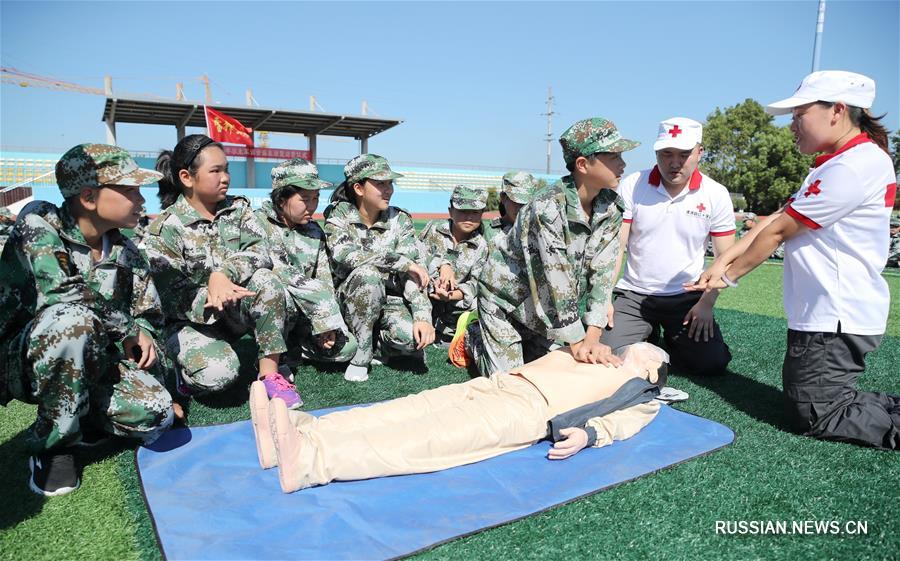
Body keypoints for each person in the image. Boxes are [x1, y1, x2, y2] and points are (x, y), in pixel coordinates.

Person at [687, 70, 899, 449]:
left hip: (836, 314)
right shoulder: (836, 162)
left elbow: (779, 232)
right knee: (817, 401)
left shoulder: (853, 166)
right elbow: (772, 221)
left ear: (837, 110)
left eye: (799, 115)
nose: (792, 127)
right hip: (826, 311)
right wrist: (720, 264)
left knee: (819, 412)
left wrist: (728, 276)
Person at [250, 342, 668, 493]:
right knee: (404, 410)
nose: (637, 349)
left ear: (653, 371)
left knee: (428, 436)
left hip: (528, 410)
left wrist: (590, 436)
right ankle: (304, 430)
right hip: (502, 383)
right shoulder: (598, 352)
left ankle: (309, 461)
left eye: (646, 352)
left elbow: (625, 422)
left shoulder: (642, 390)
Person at [0, 144, 174, 496]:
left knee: (157, 411)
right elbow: (63, 292)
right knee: (71, 321)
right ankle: (54, 446)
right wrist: (126, 328)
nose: (142, 200)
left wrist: (149, 351)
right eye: (129, 190)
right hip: (21, 362)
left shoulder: (129, 253)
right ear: (89, 197)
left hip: (93, 361)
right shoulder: (39, 222)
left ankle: (82, 416)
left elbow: (150, 320)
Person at [463, 117, 639, 376]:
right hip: (507, 305)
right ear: (583, 164)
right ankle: (475, 338)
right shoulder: (548, 207)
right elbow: (556, 278)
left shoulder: (611, 207)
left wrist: (593, 335)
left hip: (544, 313)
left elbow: (603, 273)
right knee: (513, 383)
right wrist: (577, 341)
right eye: (613, 156)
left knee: (558, 375)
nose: (623, 164)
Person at [142, 135, 301, 408]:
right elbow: (167, 296)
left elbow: (259, 251)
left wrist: (222, 275)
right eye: (215, 171)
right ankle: (187, 372)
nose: (225, 177)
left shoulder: (238, 211)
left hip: (234, 307)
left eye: (226, 169)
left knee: (267, 280)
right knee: (218, 376)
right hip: (192, 320)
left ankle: (270, 375)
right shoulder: (165, 229)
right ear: (186, 177)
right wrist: (213, 295)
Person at [603, 118, 735, 376]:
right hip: (635, 295)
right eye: (666, 154)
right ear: (656, 153)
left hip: (686, 297)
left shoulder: (715, 193)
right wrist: (605, 298)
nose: (674, 162)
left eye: (684, 154)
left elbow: (725, 258)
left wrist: (707, 303)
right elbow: (616, 247)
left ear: (700, 152)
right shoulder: (633, 184)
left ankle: (664, 340)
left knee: (712, 364)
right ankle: (646, 333)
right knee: (607, 356)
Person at [323, 154, 435, 382]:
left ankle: (377, 344)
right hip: (351, 301)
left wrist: (423, 316)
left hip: (389, 302)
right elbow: (347, 255)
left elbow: (414, 273)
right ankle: (360, 357)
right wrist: (402, 262)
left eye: (389, 183)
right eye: (380, 184)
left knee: (412, 340)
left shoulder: (399, 219)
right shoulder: (339, 215)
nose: (388, 190)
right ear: (359, 188)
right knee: (368, 275)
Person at [254, 158, 358, 368]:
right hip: (269, 311)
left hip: (306, 312)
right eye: (304, 199)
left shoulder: (314, 231)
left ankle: (298, 347)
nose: (312, 206)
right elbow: (278, 270)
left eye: (316, 198)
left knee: (347, 347)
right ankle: (269, 356)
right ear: (281, 198)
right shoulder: (257, 224)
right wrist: (325, 312)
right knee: (276, 292)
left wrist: (326, 327)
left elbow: (324, 278)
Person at [418, 184, 489, 346]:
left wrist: (450, 296)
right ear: (451, 211)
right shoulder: (434, 229)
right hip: (424, 295)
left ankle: (450, 330)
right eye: (463, 211)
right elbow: (417, 258)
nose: (469, 217)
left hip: (456, 304)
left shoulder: (481, 245)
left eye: (475, 212)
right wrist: (442, 266)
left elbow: (475, 284)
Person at [484, 171, 538, 246]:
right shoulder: (486, 230)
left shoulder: (539, 232)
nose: (521, 208)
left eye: (526, 203)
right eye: (516, 201)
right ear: (503, 198)